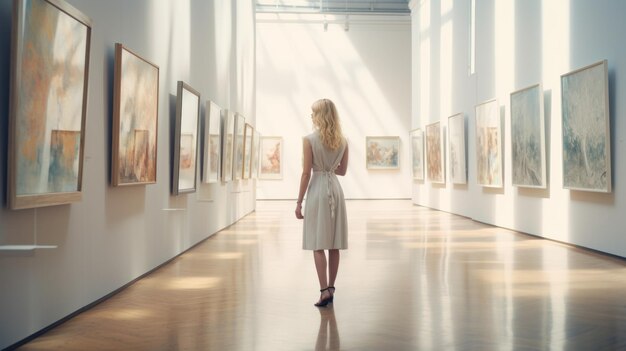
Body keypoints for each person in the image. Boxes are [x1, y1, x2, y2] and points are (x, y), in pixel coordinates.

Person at [295, 98, 349, 307]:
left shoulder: (309, 140)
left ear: (320, 115)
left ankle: (323, 289)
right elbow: (342, 171)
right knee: (334, 244)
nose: (311, 116)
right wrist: (329, 166)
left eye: (313, 112)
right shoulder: (343, 141)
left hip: (318, 190)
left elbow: (305, 173)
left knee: (318, 243)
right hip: (335, 190)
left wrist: (299, 202)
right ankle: (332, 288)